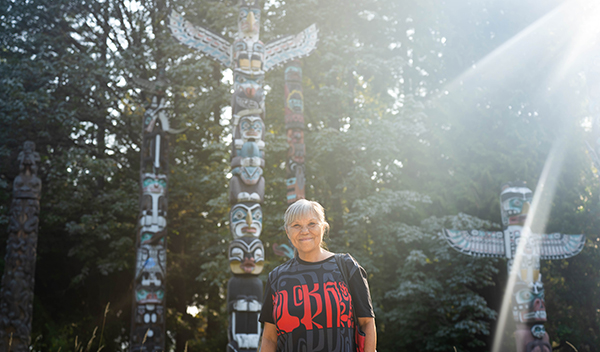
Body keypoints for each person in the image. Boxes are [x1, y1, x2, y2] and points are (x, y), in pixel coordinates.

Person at [259, 199, 376, 352]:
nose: (305, 231)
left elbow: (367, 323)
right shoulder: (276, 277)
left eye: (312, 224)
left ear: (324, 227)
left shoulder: (347, 267)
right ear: (287, 232)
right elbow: (269, 338)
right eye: (296, 225)